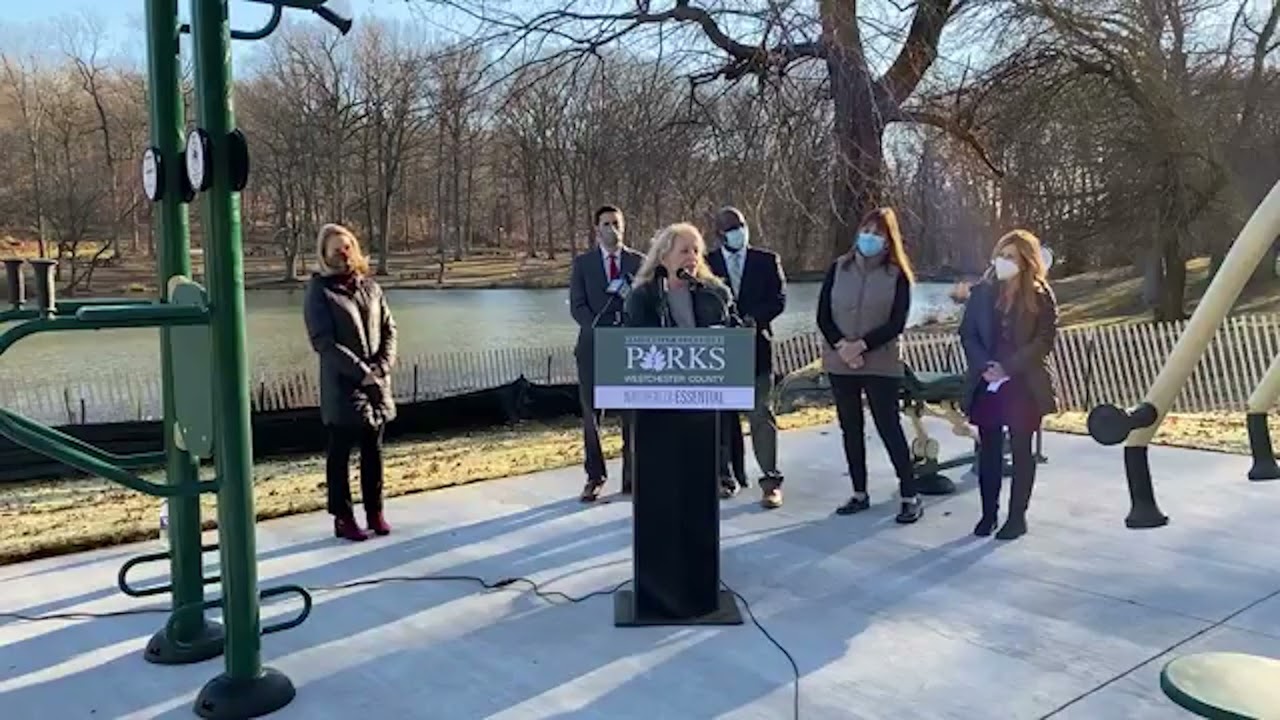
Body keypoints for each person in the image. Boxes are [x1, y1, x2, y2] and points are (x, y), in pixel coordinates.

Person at [817, 207, 923, 524]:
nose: (870, 238)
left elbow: (897, 322)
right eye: (866, 231)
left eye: (878, 233)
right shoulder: (839, 268)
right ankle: (859, 492)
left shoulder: (898, 276)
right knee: (851, 428)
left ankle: (909, 494)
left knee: (888, 426)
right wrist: (842, 347)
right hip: (840, 361)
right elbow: (823, 315)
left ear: (889, 240)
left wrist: (861, 345)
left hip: (881, 362)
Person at [960, 229, 1059, 540]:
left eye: (1011, 257)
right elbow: (967, 333)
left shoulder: (1041, 296)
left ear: (1027, 261)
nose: (1003, 262)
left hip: (1022, 383)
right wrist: (984, 366)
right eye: (1000, 255)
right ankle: (988, 513)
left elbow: (1044, 340)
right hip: (988, 381)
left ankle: (1017, 517)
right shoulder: (982, 292)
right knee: (987, 450)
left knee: (1021, 451)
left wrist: (1009, 367)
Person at [303, 223, 397, 542]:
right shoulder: (319, 291)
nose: (343, 254)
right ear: (325, 254)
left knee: (374, 449)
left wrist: (382, 367)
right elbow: (323, 342)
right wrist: (360, 371)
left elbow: (389, 329)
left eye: (347, 247)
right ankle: (343, 517)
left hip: (376, 382)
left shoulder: (370, 287)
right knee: (340, 454)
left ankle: (375, 511)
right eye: (335, 249)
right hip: (342, 384)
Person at [705, 206, 788, 507]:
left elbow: (779, 299)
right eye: (730, 228)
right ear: (719, 234)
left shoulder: (766, 261)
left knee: (760, 414)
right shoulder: (707, 264)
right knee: (722, 418)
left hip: (758, 349)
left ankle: (771, 481)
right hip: (722, 353)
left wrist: (756, 319)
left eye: (741, 225)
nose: (738, 231)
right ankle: (726, 477)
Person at [569, 205, 644, 502]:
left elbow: (646, 303)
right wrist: (599, 331)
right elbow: (577, 305)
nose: (611, 228)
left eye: (616, 223)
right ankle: (595, 476)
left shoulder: (638, 262)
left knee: (632, 414)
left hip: (627, 348)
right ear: (596, 229)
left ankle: (632, 475)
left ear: (623, 227)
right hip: (592, 347)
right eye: (605, 224)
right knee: (591, 414)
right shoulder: (583, 264)